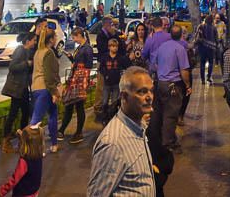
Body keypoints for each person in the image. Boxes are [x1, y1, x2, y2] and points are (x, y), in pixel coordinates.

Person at [87, 67, 156, 196]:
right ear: (124, 96)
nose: (149, 97)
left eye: (151, 91)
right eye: (142, 92)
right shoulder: (113, 143)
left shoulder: (139, 127)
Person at [153, 24, 192, 151]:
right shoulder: (180, 49)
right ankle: (167, 143)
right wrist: (187, 85)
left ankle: (167, 137)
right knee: (171, 114)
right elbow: (184, 70)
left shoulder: (162, 47)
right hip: (173, 85)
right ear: (181, 35)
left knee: (163, 112)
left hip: (161, 84)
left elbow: (154, 64)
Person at [1, 33, 37, 153]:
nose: (35, 42)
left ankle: (22, 137)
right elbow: (12, 67)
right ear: (27, 41)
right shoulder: (20, 50)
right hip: (16, 88)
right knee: (13, 113)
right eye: (33, 40)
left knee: (25, 113)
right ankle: (6, 140)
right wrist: (26, 64)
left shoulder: (28, 52)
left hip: (23, 88)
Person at [58, 26, 94, 143]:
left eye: (74, 37)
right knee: (70, 104)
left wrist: (84, 81)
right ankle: (62, 130)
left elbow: (87, 66)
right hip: (75, 79)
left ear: (79, 35)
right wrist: (71, 58)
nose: (74, 40)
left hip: (80, 80)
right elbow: (77, 62)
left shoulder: (87, 48)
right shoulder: (81, 48)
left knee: (78, 107)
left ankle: (78, 132)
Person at [29, 29, 62, 154]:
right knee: (36, 121)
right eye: (55, 36)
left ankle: (54, 144)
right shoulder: (48, 53)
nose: (56, 38)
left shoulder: (38, 52)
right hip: (45, 89)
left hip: (37, 88)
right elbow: (49, 76)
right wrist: (54, 92)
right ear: (51, 39)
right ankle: (32, 149)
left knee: (52, 114)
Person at [0, 124, 44, 197]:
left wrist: (0, 192)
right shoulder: (39, 154)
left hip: (22, 193)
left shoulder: (24, 161)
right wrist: (22, 136)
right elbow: (29, 141)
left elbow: (14, 179)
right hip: (34, 191)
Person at [99, 37, 129, 125]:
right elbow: (101, 68)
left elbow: (125, 66)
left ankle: (113, 118)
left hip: (116, 83)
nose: (115, 48)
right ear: (109, 47)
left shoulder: (120, 57)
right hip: (107, 83)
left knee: (114, 102)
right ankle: (104, 117)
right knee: (104, 102)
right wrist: (106, 75)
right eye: (113, 46)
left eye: (116, 46)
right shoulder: (105, 57)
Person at [93, 15, 114, 116]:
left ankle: (104, 105)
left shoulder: (108, 35)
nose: (112, 26)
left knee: (106, 85)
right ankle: (98, 107)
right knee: (100, 85)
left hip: (107, 63)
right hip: (102, 63)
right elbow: (103, 49)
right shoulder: (101, 35)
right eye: (111, 24)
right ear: (106, 24)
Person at [196, 14, 218, 84]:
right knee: (211, 63)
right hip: (211, 48)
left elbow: (197, 36)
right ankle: (208, 77)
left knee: (202, 63)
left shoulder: (201, 26)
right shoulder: (214, 28)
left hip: (202, 47)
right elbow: (216, 38)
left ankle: (202, 79)